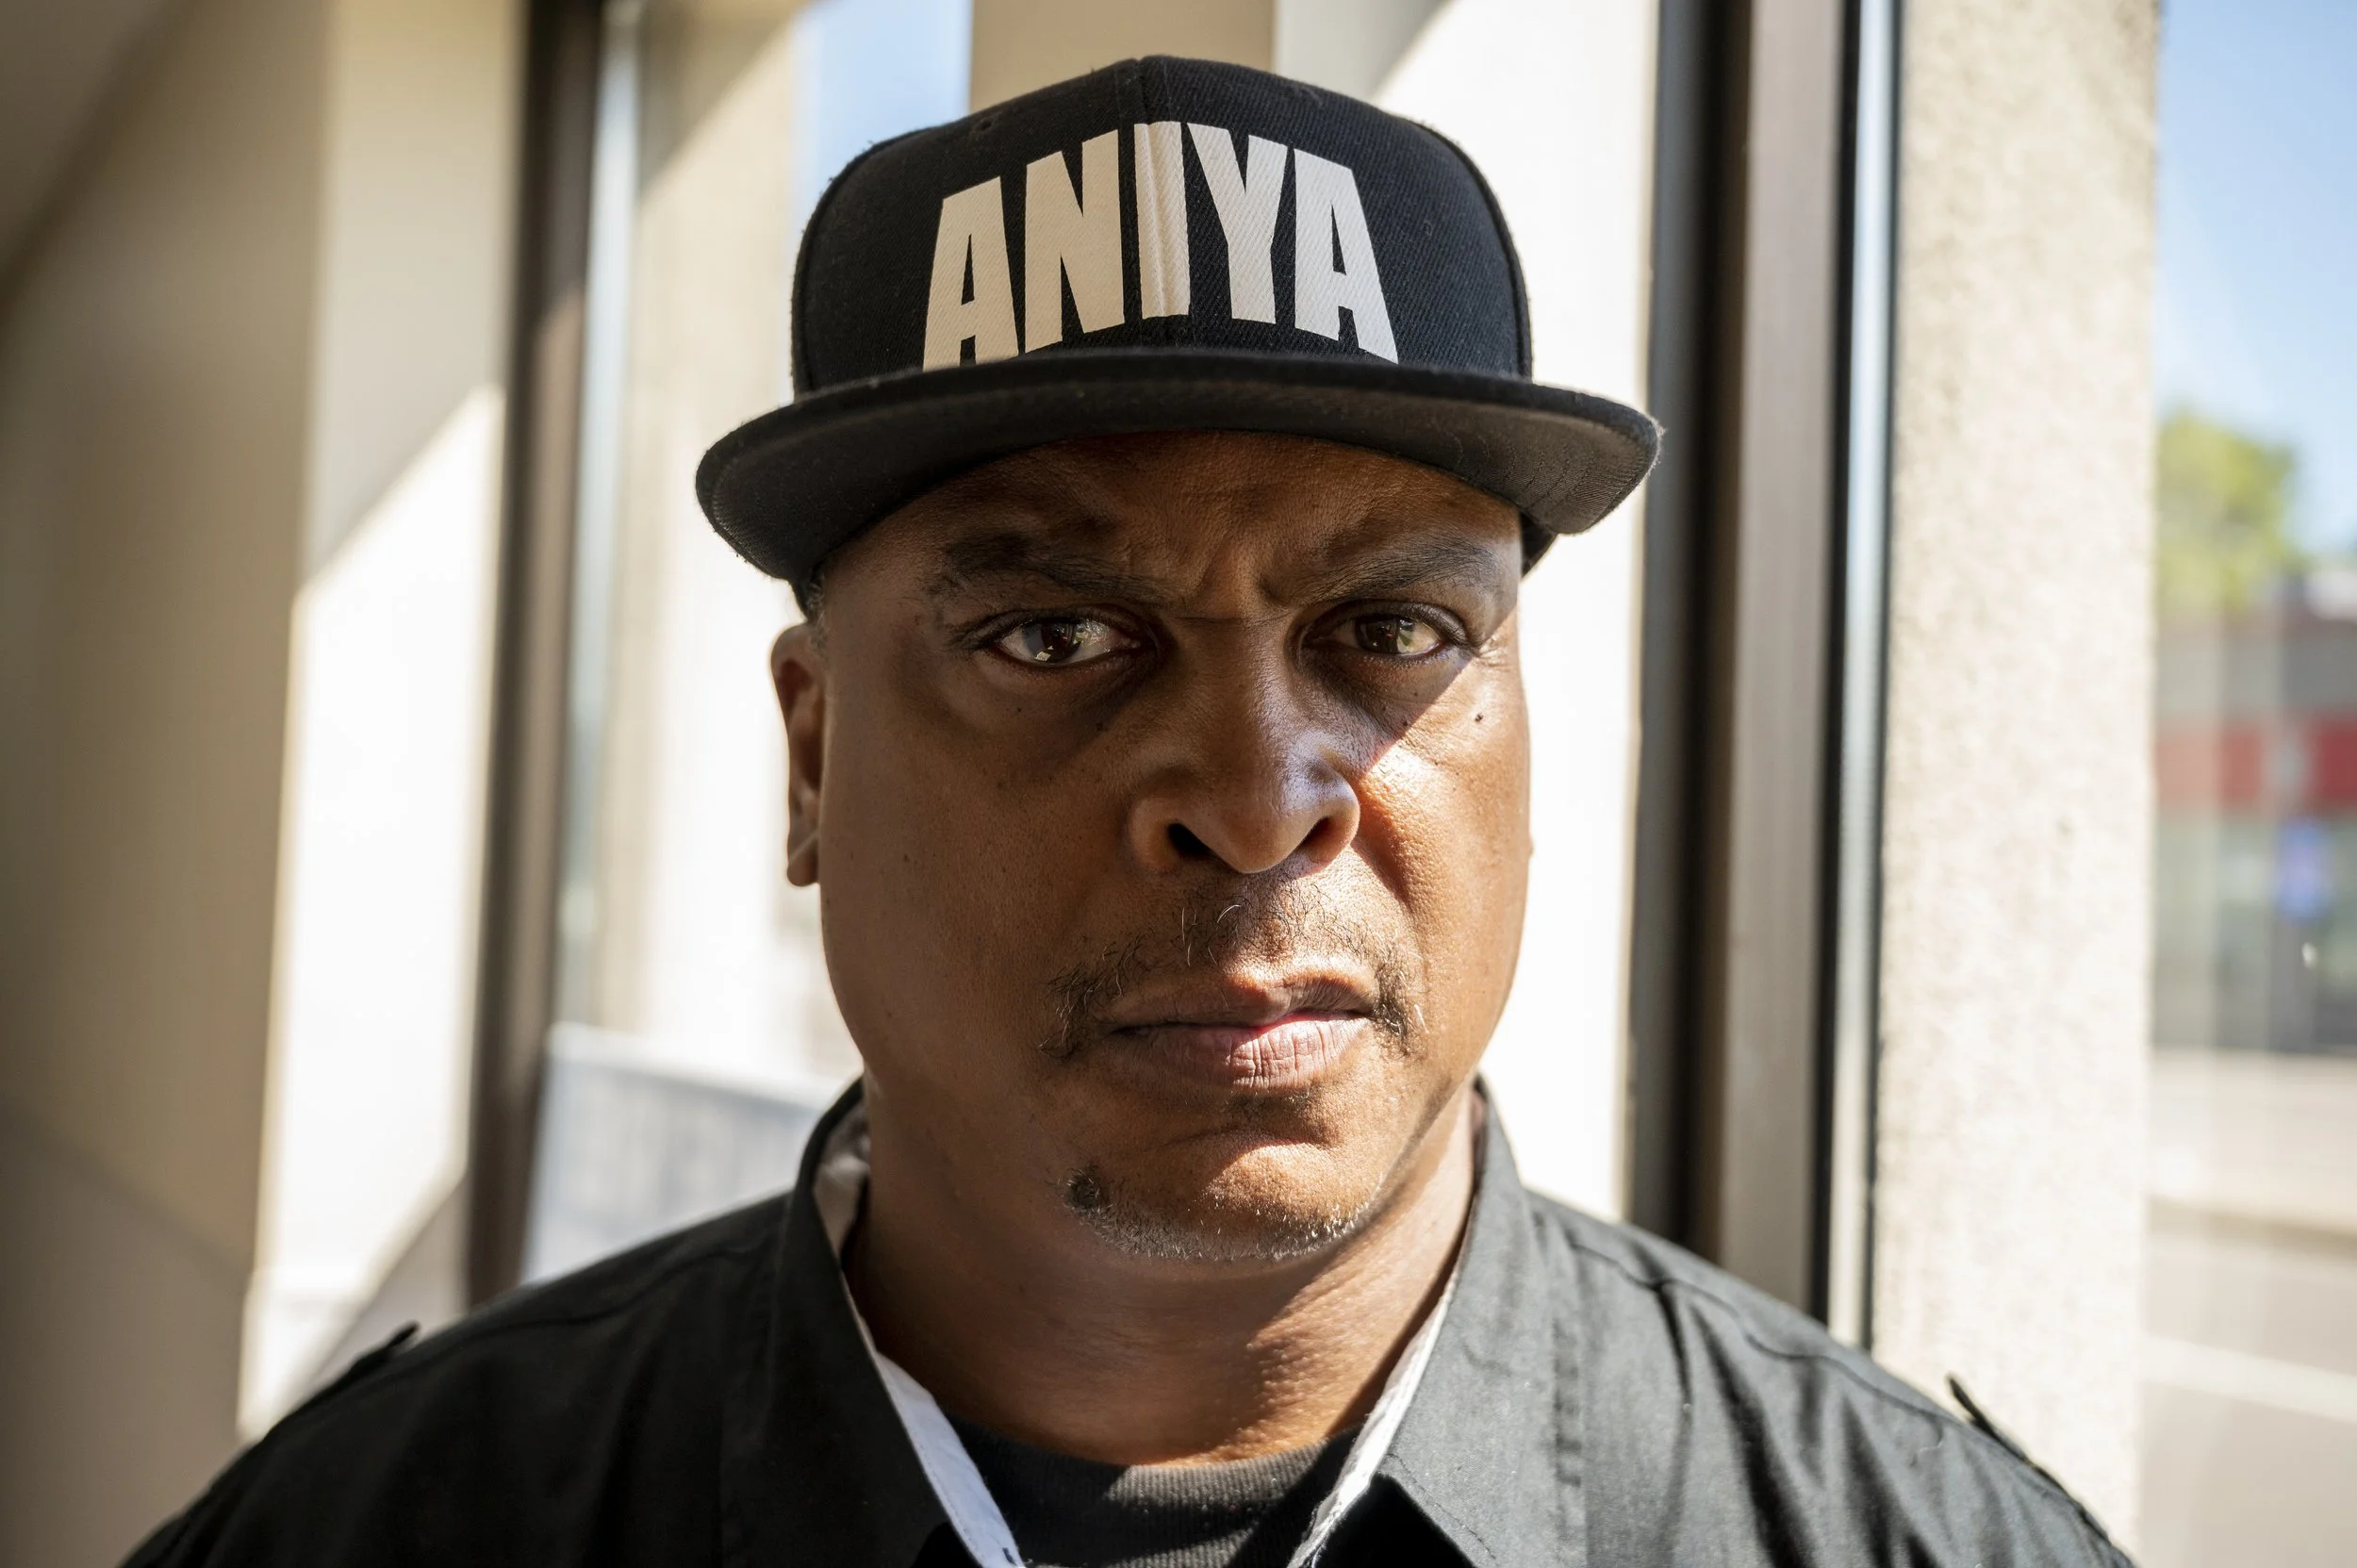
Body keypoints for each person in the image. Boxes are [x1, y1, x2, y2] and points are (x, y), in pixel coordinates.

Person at [127, 57, 2130, 1568]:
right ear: (814, 759)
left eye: (1392, 631)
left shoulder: (1902, 1537)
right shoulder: (385, 1523)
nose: (1257, 804)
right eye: (1055, 636)